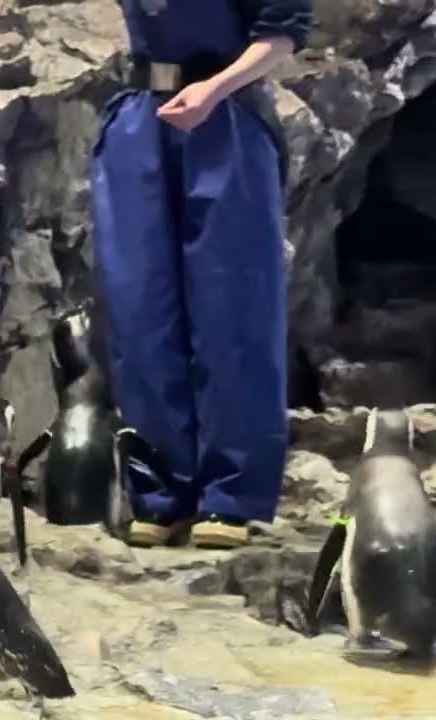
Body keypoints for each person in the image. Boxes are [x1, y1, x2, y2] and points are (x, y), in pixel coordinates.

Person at [89, 0, 312, 550]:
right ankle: (160, 489)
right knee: (138, 306)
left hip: (226, 114)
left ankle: (232, 494)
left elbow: (282, 34)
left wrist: (216, 89)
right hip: (142, 117)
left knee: (232, 308)